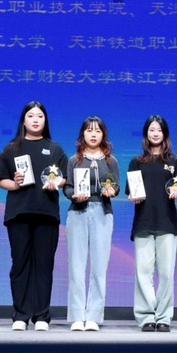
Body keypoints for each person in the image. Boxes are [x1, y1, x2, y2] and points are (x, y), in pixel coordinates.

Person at [0, 101, 68, 332]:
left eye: (39, 116)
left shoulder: (54, 149)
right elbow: (1, 179)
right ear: (23, 120)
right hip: (18, 214)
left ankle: (41, 316)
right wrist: (15, 183)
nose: (35, 120)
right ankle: (20, 315)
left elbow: (65, 177)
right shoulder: (11, 148)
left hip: (47, 214)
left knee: (44, 266)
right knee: (20, 265)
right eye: (31, 116)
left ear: (45, 121)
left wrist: (58, 182)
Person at [126, 115, 177, 332]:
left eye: (159, 130)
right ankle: (146, 316)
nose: (155, 133)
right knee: (143, 272)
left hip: (167, 222)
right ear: (146, 134)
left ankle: (164, 317)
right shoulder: (136, 161)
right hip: (143, 221)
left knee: (167, 273)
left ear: (165, 133)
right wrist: (132, 196)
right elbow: (131, 190)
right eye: (152, 130)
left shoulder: (174, 161)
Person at [63, 116, 120, 332]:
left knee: (99, 267)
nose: (93, 134)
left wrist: (111, 190)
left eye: (97, 131)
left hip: (102, 212)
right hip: (78, 212)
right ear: (82, 135)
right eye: (89, 130)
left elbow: (116, 185)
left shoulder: (111, 161)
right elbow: (68, 187)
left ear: (103, 134)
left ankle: (94, 315)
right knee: (76, 266)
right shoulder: (73, 160)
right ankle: (78, 315)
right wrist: (74, 195)